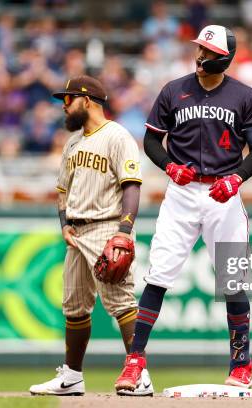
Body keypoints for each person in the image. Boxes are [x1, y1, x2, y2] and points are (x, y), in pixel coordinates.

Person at [115, 24, 252, 393]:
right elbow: (152, 140)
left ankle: (241, 364)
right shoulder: (175, 90)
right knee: (158, 276)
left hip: (224, 195)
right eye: (199, 49)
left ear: (224, 58)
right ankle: (135, 362)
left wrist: (237, 178)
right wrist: (169, 165)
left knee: (232, 280)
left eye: (207, 52)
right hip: (182, 195)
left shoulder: (244, 96)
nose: (199, 56)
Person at [29, 75, 152, 397]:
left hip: (108, 226)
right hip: (77, 231)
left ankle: (140, 375)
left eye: (69, 99)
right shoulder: (72, 143)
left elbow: (132, 185)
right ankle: (71, 377)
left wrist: (124, 231)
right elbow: (62, 190)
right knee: (74, 306)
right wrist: (64, 224)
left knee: (121, 302)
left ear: (88, 101)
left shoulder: (117, 136)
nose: (64, 105)